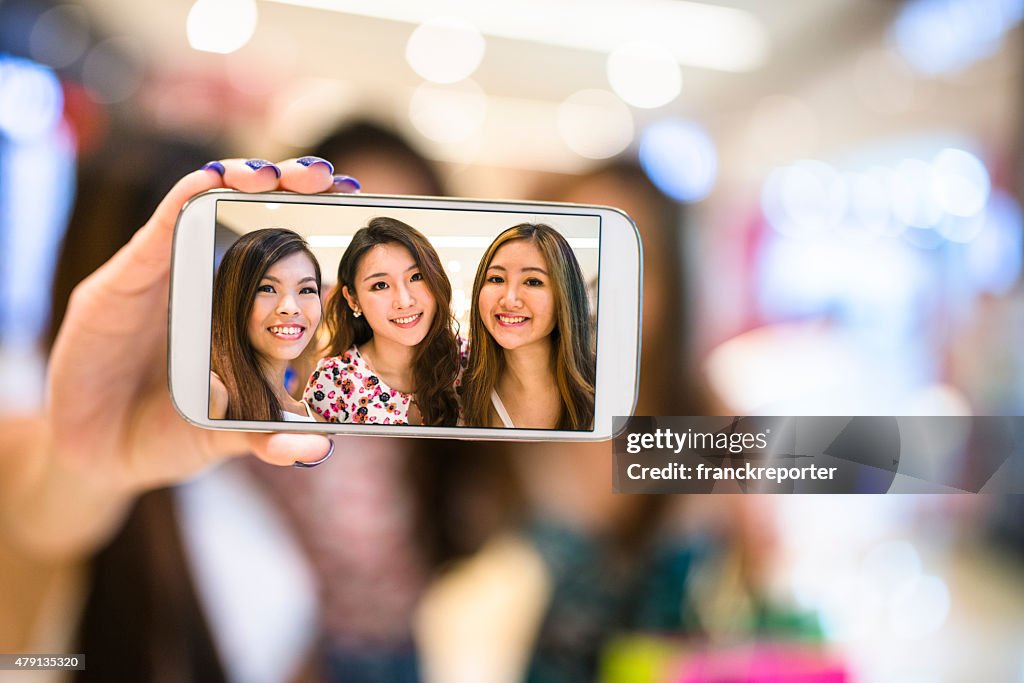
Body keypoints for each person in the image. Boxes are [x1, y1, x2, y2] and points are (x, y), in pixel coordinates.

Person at [303, 217, 462, 426]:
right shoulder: (334, 380)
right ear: (353, 299)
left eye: (416, 277)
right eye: (380, 285)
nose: (404, 301)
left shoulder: (470, 361)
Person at [461, 223, 595, 430]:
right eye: (496, 279)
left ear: (565, 296)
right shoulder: (461, 386)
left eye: (533, 282)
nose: (509, 300)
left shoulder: (606, 386)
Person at [211, 228, 324, 422]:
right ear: (233, 300)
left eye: (306, 290)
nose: (290, 308)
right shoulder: (214, 394)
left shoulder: (316, 417)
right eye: (267, 288)